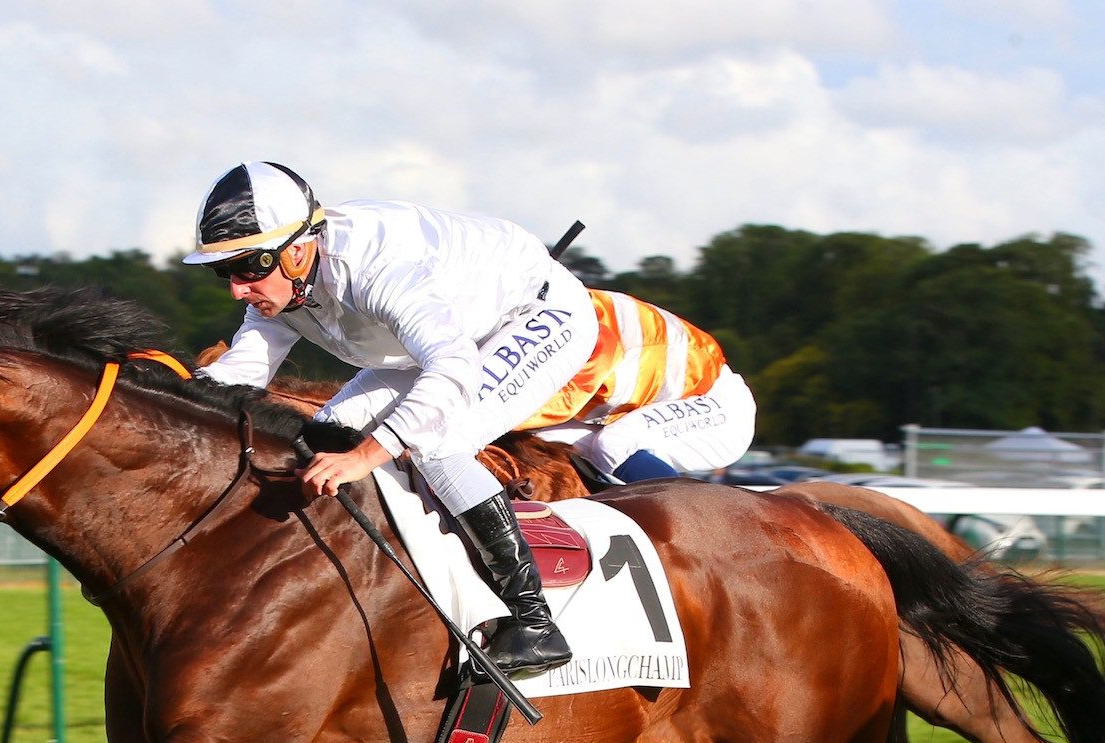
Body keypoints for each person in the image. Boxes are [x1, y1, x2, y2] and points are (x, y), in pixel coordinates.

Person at [188, 162, 755, 675]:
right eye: (226, 273)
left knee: (440, 443)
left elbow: (450, 366)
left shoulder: (378, 268)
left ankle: (534, 621)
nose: (238, 287)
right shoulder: (280, 289)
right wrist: (157, 395)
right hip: (441, 341)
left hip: (536, 316)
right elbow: (244, 373)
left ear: (296, 251)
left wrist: (367, 455)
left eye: (247, 267)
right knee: (323, 430)